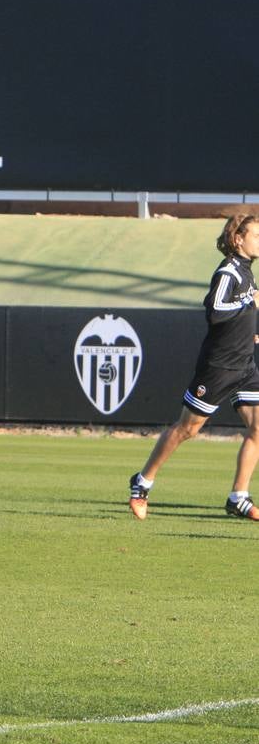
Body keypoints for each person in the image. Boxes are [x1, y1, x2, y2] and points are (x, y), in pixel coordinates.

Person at [128, 215, 259, 522]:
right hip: (219, 367)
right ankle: (142, 482)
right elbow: (214, 310)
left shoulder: (246, 272)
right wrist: (248, 301)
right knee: (187, 429)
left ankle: (238, 497)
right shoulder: (229, 271)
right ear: (238, 239)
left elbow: (238, 314)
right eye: (256, 234)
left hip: (244, 365)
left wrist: (250, 328)